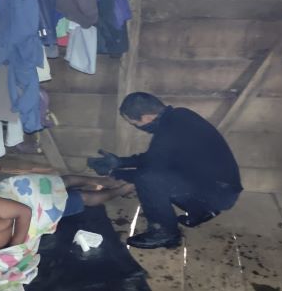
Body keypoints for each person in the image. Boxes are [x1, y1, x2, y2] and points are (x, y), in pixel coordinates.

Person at [87, 92, 243, 249]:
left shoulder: (168, 131)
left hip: (217, 193)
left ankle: (165, 233)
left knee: (147, 180)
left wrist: (114, 173)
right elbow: (154, 157)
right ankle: (200, 211)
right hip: (223, 187)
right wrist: (120, 162)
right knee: (159, 178)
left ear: (147, 118)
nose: (135, 126)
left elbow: (149, 172)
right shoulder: (180, 116)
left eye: (133, 123)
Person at [0, 174, 133, 268]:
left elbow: (24, 211)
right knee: (82, 199)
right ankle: (121, 191)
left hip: (26, 198)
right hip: (33, 215)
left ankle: (97, 179)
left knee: (60, 182)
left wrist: (18, 244)